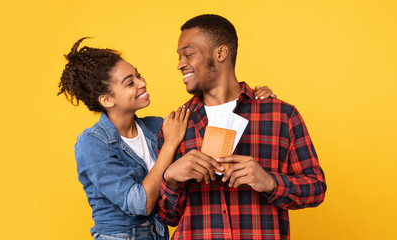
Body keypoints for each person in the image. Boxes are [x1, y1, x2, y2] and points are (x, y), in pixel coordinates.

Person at [57, 38, 276, 239]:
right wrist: (170, 145)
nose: (142, 83)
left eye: (138, 75)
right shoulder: (92, 144)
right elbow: (139, 203)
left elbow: (209, 115)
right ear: (106, 100)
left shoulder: (156, 126)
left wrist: (251, 98)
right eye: (129, 83)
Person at [157, 14, 327, 240]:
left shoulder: (281, 115)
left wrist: (269, 181)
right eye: (179, 57)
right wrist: (171, 178)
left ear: (220, 53)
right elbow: (168, 217)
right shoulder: (177, 125)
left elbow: (316, 189)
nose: (180, 64)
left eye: (188, 54)